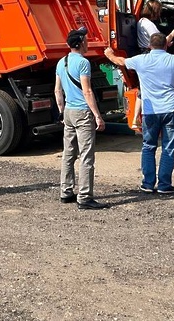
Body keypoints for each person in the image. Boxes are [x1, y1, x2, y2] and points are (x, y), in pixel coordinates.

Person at [104, 33, 174, 194]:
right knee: (168, 148)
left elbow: (120, 62)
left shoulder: (141, 60)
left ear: (149, 45)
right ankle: (164, 185)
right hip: (172, 108)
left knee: (148, 147)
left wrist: (109, 54)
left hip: (150, 111)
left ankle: (148, 184)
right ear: (166, 45)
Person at [54, 27, 107, 210]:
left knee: (69, 153)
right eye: (86, 39)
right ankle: (85, 197)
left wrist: (61, 111)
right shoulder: (83, 63)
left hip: (68, 111)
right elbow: (87, 91)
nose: (88, 42)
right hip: (83, 112)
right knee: (86, 155)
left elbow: (57, 90)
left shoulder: (62, 62)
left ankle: (66, 191)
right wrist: (97, 115)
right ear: (80, 43)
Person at [132, 0, 174, 129]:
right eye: (159, 11)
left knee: (142, 88)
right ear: (154, 11)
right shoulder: (148, 24)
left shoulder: (142, 23)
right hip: (149, 54)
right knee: (145, 88)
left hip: (146, 52)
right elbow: (159, 41)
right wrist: (173, 34)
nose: (160, 14)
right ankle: (136, 118)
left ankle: (135, 118)